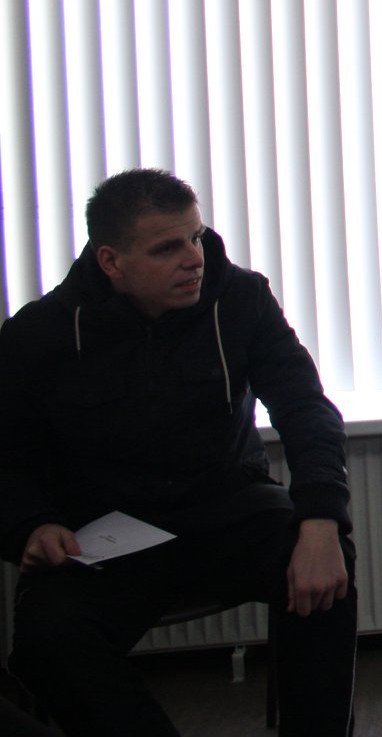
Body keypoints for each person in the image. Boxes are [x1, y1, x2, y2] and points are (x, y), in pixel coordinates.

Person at [0, 168, 356, 736]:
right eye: (168, 248)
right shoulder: (40, 333)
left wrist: (321, 520)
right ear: (112, 262)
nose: (195, 259)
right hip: (104, 531)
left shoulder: (240, 298)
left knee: (326, 566)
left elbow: (306, 408)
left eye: (196, 237)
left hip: (228, 506)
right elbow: (8, 452)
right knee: (48, 641)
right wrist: (31, 524)